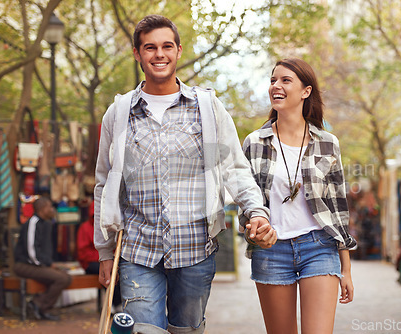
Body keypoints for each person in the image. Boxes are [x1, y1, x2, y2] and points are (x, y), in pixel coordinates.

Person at [94, 14, 276, 334]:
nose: (159, 54)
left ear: (179, 50)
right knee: (143, 330)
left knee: (187, 330)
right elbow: (103, 184)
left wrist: (256, 211)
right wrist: (105, 252)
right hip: (137, 250)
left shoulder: (206, 107)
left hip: (195, 250)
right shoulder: (119, 113)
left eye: (167, 46)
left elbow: (234, 167)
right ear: (137, 54)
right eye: (150, 48)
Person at [241, 58, 357, 334]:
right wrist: (252, 231)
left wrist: (347, 268)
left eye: (285, 80)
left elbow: (338, 209)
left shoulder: (328, 143)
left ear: (306, 91)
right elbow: (247, 202)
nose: (276, 86)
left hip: (318, 246)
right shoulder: (254, 143)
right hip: (272, 251)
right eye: (272, 80)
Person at [13, 196, 72, 321]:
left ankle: (39, 304)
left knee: (66, 277)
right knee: (61, 278)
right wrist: (47, 264)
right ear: (42, 209)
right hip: (25, 265)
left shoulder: (46, 223)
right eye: (50, 207)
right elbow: (31, 250)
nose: (52, 209)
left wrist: (49, 264)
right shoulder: (33, 222)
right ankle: (39, 305)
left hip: (37, 264)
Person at [76, 202, 121, 310]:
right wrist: (102, 256)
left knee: (119, 270)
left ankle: (118, 303)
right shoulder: (85, 227)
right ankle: (113, 303)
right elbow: (83, 253)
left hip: (109, 258)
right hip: (91, 263)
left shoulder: (110, 226)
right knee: (107, 272)